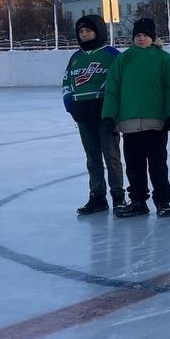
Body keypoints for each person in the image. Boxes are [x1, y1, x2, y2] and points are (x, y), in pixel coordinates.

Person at [102, 17, 170, 218]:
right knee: (134, 166)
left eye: (145, 35)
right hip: (129, 124)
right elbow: (112, 89)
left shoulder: (164, 60)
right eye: (138, 35)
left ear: (153, 37)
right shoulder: (123, 59)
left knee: (157, 165)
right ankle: (138, 201)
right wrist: (109, 116)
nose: (141, 38)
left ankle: (163, 202)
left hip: (156, 123)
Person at [62, 14, 125, 216]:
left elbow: (120, 82)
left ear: (98, 31)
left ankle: (118, 195)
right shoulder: (76, 58)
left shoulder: (112, 54)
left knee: (112, 156)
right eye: (81, 32)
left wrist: (112, 108)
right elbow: (66, 83)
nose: (84, 34)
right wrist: (71, 105)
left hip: (105, 115)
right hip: (83, 115)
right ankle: (97, 196)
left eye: (88, 30)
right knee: (92, 158)